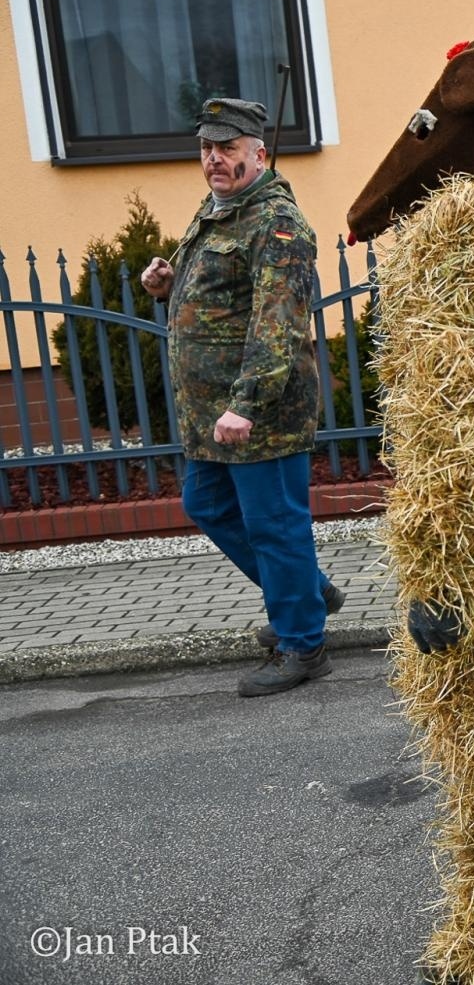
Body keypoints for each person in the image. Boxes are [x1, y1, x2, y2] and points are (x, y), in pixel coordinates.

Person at [140, 98, 339, 696]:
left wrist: (246, 404)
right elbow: (222, 293)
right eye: (206, 148)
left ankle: (303, 645)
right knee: (207, 505)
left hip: (260, 414)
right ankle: (306, 592)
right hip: (210, 415)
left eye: (227, 148)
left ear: (259, 151)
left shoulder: (277, 224)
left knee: (275, 526)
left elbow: (277, 325)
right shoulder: (219, 209)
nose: (213, 159)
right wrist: (167, 284)